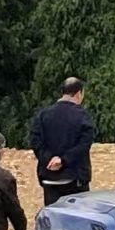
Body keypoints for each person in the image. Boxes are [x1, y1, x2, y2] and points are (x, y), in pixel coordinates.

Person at [29, 76, 96, 206]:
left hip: (49, 179)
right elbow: (84, 144)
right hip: (75, 180)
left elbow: (35, 141)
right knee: (76, 221)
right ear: (78, 94)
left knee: (54, 220)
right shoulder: (82, 116)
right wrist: (63, 160)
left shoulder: (43, 115)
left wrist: (49, 159)